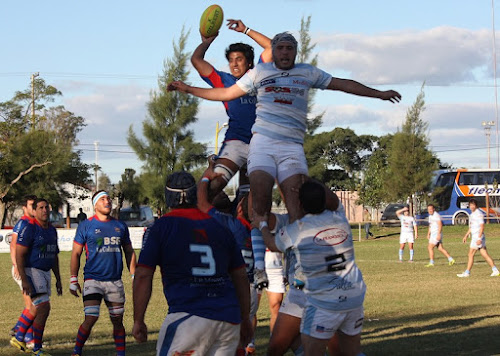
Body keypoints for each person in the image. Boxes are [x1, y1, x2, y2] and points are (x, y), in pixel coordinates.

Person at [168, 31, 400, 289]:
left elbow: (343, 83)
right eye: (281, 48)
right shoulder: (259, 74)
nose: (286, 52)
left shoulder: (307, 72)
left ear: (295, 52)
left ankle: (295, 264)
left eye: (290, 48)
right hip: (262, 144)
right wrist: (187, 88)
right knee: (259, 198)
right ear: (274, 51)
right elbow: (224, 94)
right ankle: (257, 267)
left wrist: (378, 94)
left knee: (295, 202)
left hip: (291, 147)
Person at [132, 171, 252, 355]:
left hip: (189, 316)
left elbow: (142, 275)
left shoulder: (162, 227)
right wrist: (244, 318)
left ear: (168, 196)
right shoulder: (220, 227)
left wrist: (138, 320)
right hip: (228, 319)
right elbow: (240, 277)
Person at [253, 180, 366, 355]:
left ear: (299, 203)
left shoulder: (297, 229)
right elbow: (334, 199)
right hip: (353, 295)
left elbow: (271, 243)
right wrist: (308, 180)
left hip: (322, 301)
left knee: (308, 350)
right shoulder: (339, 217)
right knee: (348, 352)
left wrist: (262, 224)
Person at [191, 19, 272, 200]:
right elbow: (196, 60)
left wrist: (246, 30)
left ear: (249, 63)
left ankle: (244, 224)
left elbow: (271, 48)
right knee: (215, 185)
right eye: (231, 60)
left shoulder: (260, 74)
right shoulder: (224, 80)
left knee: (250, 199)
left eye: (239, 59)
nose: (234, 64)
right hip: (236, 141)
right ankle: (196, 217)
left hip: (260, 144)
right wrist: (207, 41)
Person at [69, 190, 137, 356]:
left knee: (117, 320)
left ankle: (121, 354)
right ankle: (76, 352)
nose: (107, 201)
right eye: (103, 199)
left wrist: (134, 274)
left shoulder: (120, 226)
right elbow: (76, 253)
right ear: (95, 205)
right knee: (91, 317)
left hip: (115, 281)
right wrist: (73, 279)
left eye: (108, 198)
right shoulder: (86, 225)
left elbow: (129, 251)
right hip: (93, 280)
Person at [10, 198, 62, 356]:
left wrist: (58, 279)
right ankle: (36, 348)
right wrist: (24, 278)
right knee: (43, 307)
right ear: (34, 210)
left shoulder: (52, 230)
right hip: (32, 271)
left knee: (36, 308)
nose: (45, 210)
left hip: (45, 272)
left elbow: (54, 256)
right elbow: (19, 253)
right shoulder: (29, 227)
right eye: (41, 207)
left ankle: (19, 336)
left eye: (47, 207)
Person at [9, 195, 37, 346]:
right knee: (33, 305)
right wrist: (16, 266)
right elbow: (13, 245)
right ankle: (27, 338)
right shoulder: (22, 223)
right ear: (24, 208)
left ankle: (18, 328)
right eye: (31, 205)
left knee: (33, 305)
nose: (34, 208)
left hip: (31, 269)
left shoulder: (34, 223)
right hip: (22, 269)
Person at [457, 199, 499, 277]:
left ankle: (467, 272)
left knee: (470, 254)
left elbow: (482, 226)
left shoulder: (478, 214)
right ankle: (495, 270)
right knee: (485, 254)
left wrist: (479, 238)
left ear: (476, 205)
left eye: (473, 205)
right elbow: (472, 227)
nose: (472, 206)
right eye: (470, 205)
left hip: (477, 237)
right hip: (476, 236)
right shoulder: (472, 214)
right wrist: (466, 235)